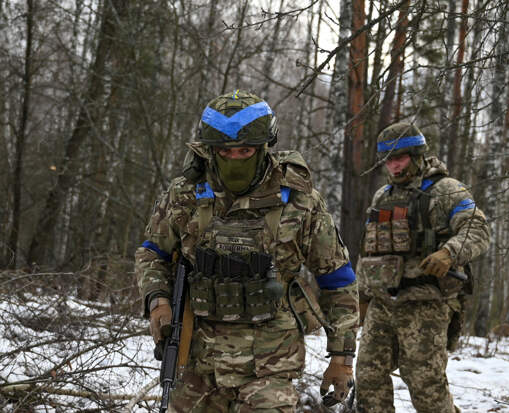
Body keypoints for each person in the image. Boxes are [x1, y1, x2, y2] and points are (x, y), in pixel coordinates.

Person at [135, 90, 358, 412]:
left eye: (245, 150)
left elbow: (337, 279)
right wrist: (157, 300)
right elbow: (152, 252)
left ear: (265, 146)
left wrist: (342, 358)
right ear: (210, 150)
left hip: (271, 363)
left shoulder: (299, 200)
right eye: (225, 152)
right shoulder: (186, 194)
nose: (235, 159)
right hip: (198, 359)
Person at [354, 122, 490, 413]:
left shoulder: (446, 191)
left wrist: (448, 253)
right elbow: (369, 248)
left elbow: (477, 229)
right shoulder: (383, 196)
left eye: (399, 158)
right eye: (388, 160)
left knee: (425, 385)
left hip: (425, 303)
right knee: (368, 377)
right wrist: (362, 296)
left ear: (417, 155)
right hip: (383, 303)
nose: (394, 166)